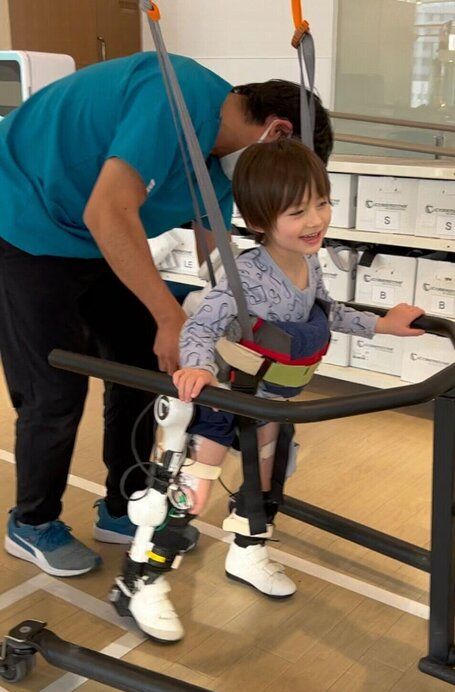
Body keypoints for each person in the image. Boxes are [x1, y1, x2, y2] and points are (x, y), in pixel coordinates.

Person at [0, 49, 333, 577]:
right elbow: (107, 212)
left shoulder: (223, 160)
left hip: (91, 240)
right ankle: (33, 522)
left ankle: (122, 505)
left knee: (140, 364)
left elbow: (216, 252)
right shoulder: (172, 96)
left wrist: (229, 322)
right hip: (21, 219)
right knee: (55, 386)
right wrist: (169, 317)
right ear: (277, 132)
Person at [134, 138, 424, 642]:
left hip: (271, 402)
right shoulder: (245, 275)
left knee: (262, 485)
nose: (315, 220)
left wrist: (384, 325)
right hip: (227, 398)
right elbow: (200, 328)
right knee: (191, 494)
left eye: (322, 203)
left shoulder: (310, 261)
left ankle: (247, 553)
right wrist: (197, 369)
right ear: (259, 220)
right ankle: (146, 579)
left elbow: (327, 313)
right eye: (297, 211)